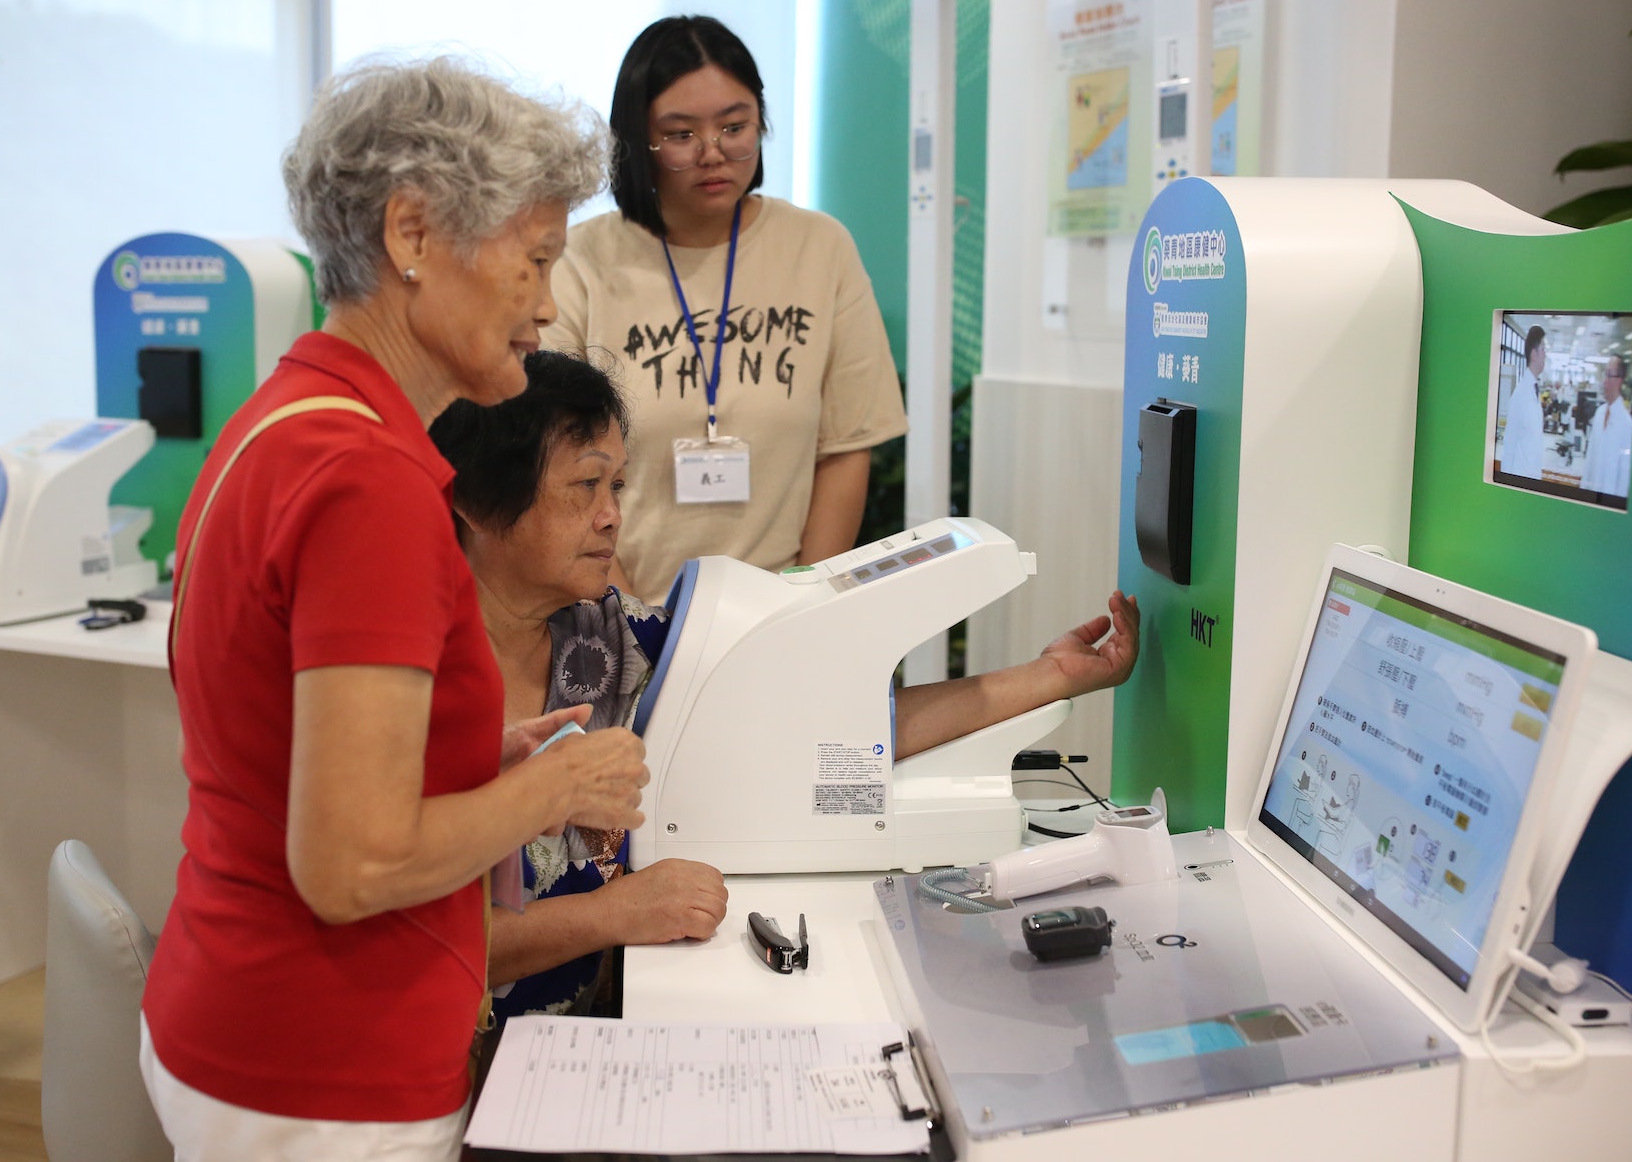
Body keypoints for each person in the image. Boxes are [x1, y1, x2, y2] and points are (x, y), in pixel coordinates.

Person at [139, 56, 650, 1162]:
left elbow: (293, 739)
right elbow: (353, 863)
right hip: (325, 1066)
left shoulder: (282, 420)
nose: (548, 305)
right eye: (534, 260)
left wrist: (482, 750)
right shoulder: (367, 481)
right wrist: (553, 786)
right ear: (413, 234)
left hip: (236, 1013)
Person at [428, 349, 1142, 1023]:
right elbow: (410, 936)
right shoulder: (410, 688)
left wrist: (1049, 678)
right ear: (482, 502)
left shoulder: (608, 643)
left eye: (616, 485)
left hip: (581, 1042)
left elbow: (825, 731)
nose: (612, 514)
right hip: (451, 1074)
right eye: (585, 485)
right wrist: (616, 914)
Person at [545, 15, 907, 604]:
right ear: (637, 141)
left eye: (735, 126)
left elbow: (844, 448)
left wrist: (803, 605)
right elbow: (558, 470)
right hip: (615, 613)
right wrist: (635, 626)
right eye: (682, 134)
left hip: (780, 614)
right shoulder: (579, 261)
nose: (714, 153)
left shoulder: (819, 248)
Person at [1499, 324, 1548, 480]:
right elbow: (1509, 446)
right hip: (1520, 478)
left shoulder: (1533, 389)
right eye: (1543, 350)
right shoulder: (1520, 396)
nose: (1545, 355)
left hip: (1531, 476)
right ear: (1534, 355)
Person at [1582, 354, 1632, 498]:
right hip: (1591, 497)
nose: (1604, 381)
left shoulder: (1627, 424)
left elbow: (1624, 475)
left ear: (1620, 380)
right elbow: (1590, 459)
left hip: (1609, 500)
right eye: (1605, 374)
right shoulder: (1599, 414)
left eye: (1609, 375)